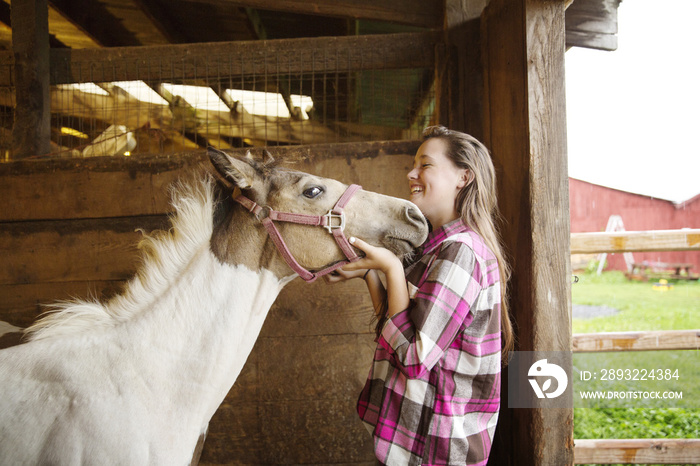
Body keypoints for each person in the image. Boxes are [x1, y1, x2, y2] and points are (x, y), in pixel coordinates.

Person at [326, 125, 513, 465]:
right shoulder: (437, 246)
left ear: (463, 176)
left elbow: (413, 357)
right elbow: (403, 326)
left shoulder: (461, 251)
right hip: (417, 440)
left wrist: (392, 269)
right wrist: (373, 271)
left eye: (425, 164)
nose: (411, 173)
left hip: (436, 448)